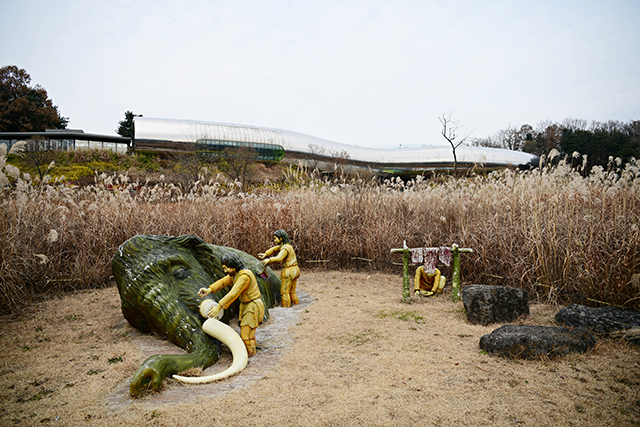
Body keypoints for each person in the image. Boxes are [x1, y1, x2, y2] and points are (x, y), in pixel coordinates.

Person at [198, 253, 264, 357]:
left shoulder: (244, 277)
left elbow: (234, 293)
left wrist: (219, 306)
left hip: (252, 306)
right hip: (246, 306)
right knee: (248, 332)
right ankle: (251, 350)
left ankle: (249, 355)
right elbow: (223, 282)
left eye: (226, 268)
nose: (225, 271)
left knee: (246, 335)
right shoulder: (236, 275)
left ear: (233, 265)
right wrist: (209, 289)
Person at [258, 229, 300, 307]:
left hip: (289, 271)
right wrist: (266, 254)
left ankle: (286, 309)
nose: (274, 240)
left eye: (275, 238)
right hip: (295, 270)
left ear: (281, 238)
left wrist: (269, 260)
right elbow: (274, 249)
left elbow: (279, 258)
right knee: (292, 291)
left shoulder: (285, 248)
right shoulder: (287, 246)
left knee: (284, 292)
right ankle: (296, 305)